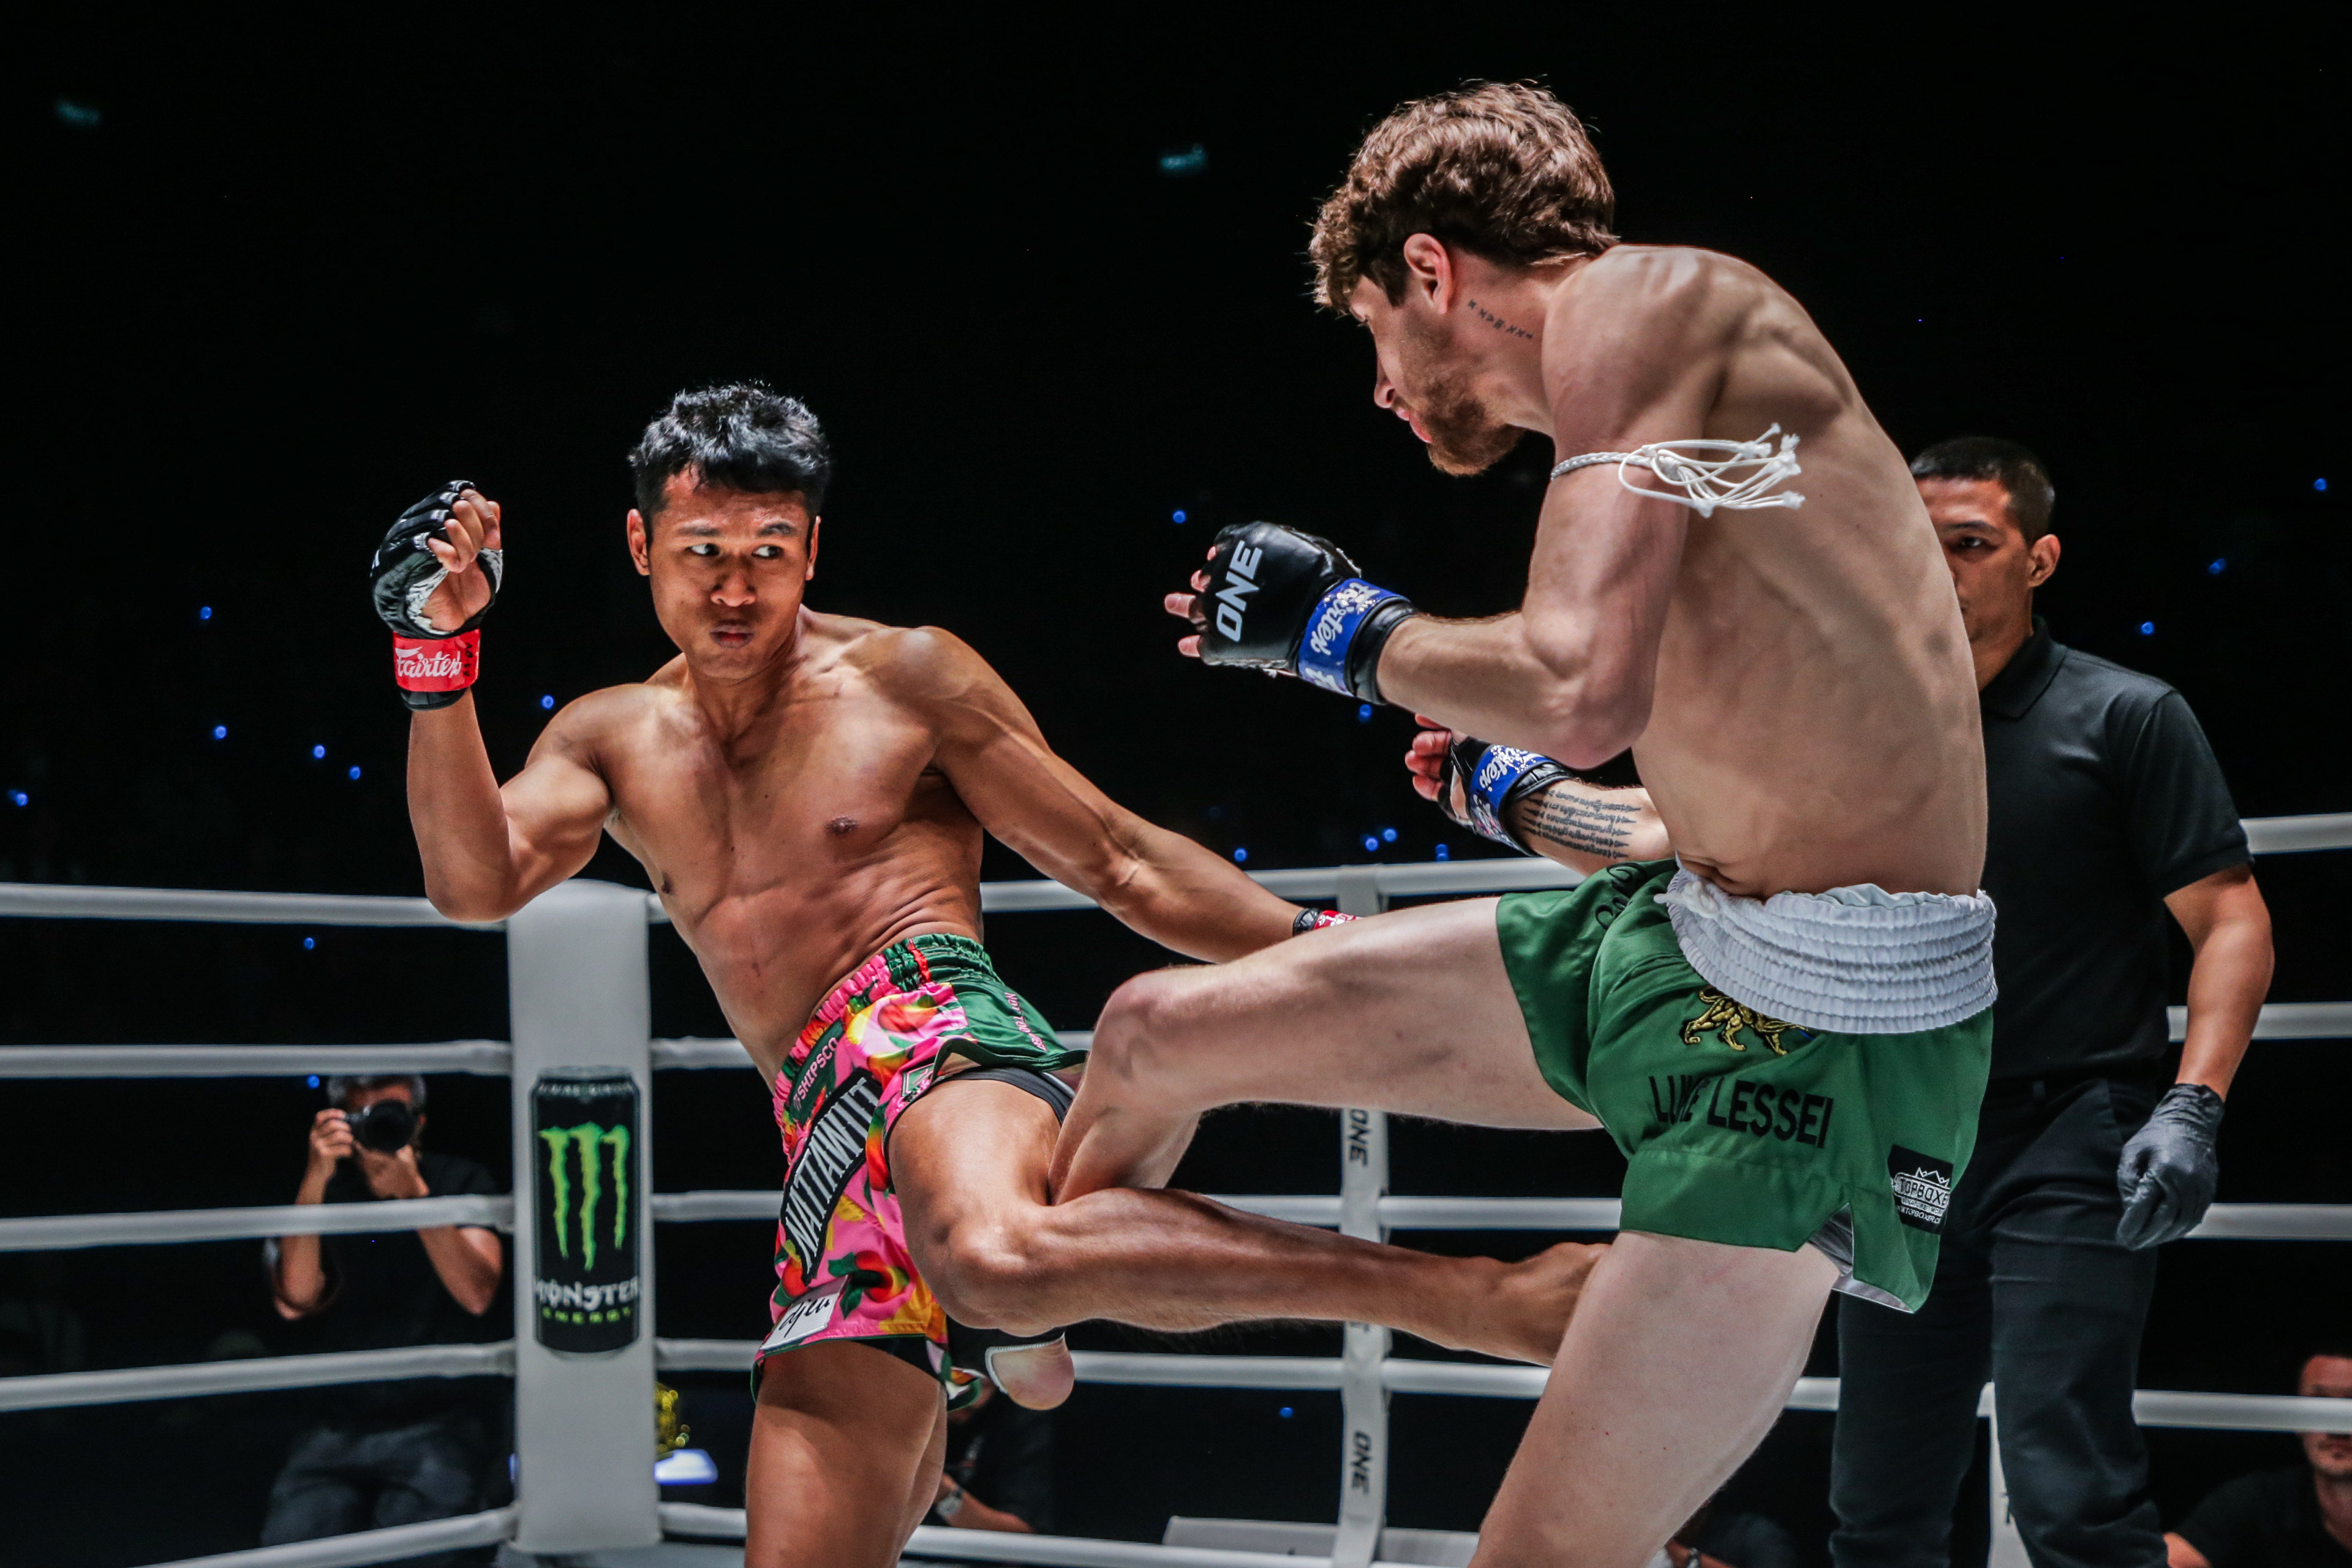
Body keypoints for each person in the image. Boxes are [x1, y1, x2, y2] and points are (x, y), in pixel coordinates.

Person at [377, 383, 1597, 1568]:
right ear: (642, 541)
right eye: (704, 549)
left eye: (771, 548)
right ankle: (1026, 1321)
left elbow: (1118, 855)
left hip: (938, 1032)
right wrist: (438, 653)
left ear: (815, 546)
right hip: (816, 1129)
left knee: (989, 1256)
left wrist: (1332, 946)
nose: (738, 585)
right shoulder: (609, 735)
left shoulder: (908, 679)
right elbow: (475, 880)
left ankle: (1477, 1296)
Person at [1054, 81, 2003, 1564]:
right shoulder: (1679, 413)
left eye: (1373, 328)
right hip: (1682, 932)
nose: (1379, 385)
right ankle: (1019, 1329)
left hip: (1817, 1037)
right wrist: (1532, 801)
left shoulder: (1645, 300)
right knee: (1144, 1032)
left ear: (1431, 273)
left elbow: (1571, 680)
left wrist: (1340, 634)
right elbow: (1720, 792)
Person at [1824, 437, 2275, 1566]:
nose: (1941, 569)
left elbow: (2230, 920)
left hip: (2073, 1134)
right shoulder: (1859, 731)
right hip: (1908, 1144)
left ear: (2039, 559)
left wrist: (2196, 1106)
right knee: (1878, 1499)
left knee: (2069, 1488)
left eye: (1971, 545)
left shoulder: (2125, 716)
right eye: (1917, 547)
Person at [261, 1075, 505, 1564]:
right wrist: (315, 1177)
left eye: (389, 1117)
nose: (379, 1129)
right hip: (338, 1421)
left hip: (441, 1418)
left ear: (419, 1122)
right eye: (364, 1118)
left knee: (425, 1556)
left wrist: (414, 1196)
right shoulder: (324, 1190)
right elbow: (296, 1300)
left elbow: (478, 1293)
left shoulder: (460, 1181)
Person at [2165, 1345, 2352, 1566]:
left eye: (2350, 1405)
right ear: (2296, 1418)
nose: (2337, 1428)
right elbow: (2165, 1561)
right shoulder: (2262, 1500)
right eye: (2319, 1402)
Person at [927, 1379, 1054, 1535]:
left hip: (974, 1553)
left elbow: (1021, 1535)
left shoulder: (1019, 1418)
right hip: (909, 1548)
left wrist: (944, 1493)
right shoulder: (907, 1404)